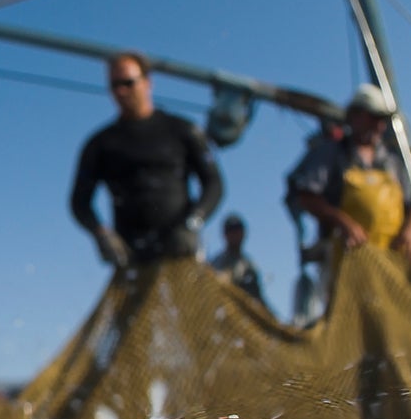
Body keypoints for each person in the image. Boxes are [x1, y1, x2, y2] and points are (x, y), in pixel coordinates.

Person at [70, 51, 224, 268]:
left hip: (181, 252)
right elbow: (79, 202)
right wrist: (100, 232)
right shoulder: (100, 144)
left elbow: (214, 183)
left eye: (128, 82)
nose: (121, 91)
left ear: (147, 82)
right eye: (114, 85)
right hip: (131, 260)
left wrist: (193, 222)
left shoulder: (182, 130)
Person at [284, 83, 411, 273]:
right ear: (355, 116)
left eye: (382, 120)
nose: (379, 126)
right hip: (347, 259)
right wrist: (343, 222)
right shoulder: (332, 153)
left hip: (392, 261)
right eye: (373, 118)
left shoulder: (392, 160)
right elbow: (307, 197)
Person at [209, 214, 268, 308]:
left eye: (237, 230)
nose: (235, 235)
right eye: (230, 231)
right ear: (225, 234)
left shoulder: (249, 266)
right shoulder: (214, 264)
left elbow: (258, 299)